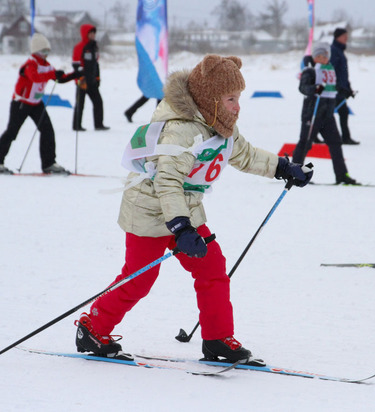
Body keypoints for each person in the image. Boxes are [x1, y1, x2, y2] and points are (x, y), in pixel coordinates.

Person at [74, 54, 313, 364]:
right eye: (230, 98)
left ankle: (217, 340)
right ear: (211, 99)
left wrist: (283, 166)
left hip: (183, 210)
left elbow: (245, 154)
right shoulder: (181, 130)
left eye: (238, 97)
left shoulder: (220, 125)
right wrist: (182, 228)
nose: (237, 105)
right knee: (140, 277)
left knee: (212, 267)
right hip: (149, 209)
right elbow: (168, 182)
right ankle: (92, 328)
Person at [0, 33, 80, 175]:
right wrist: (53, 75)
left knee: (47, 130)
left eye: (48, 51)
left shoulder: (47, 66)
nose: (46, 54)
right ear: (36, 51)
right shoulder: (30, 64)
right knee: (12, 132)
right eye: (44, 51)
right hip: (21, 103)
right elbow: (35, 78)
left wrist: (75, 75)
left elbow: (58, 78)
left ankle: (49, 163)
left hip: (36, 104)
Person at [292, 43, 359, 185]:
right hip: (312, 113)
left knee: (336, 143)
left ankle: (342, 175)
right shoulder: (310, 70)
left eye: (324, 56)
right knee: (305, 143)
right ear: (314, 57)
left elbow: (334, 87)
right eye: (318, 56)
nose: (321, 59)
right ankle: (294, 173)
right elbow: (303, 87)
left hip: (327, 115)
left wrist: (346, 91)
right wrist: (314, 89)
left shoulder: (330, 69)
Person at [72, 24, 109, 131]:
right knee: (80, 104)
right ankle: (76, 125)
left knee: (98, 102)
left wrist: (97, 78)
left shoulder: (94, 46)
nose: (93, 35)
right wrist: (81, 78)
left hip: (92, 81)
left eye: (94, 33)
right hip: (82, 81)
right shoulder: (79, 47)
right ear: (85, 34)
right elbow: (76, 64)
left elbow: (95, 64)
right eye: (91, 33)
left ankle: (99, 124)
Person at [330, 27, 359, 145]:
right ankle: (345, 137)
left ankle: (345, 137)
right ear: (337, 37)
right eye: (344, 36)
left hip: (341, 88)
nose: (346, 38)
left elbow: (343, 72)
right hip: (335, 89)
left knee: (341, 112)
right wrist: (336, 86)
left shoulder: (340, 50)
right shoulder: (334, 50)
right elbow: (332, 70)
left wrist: (348, 88)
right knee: (332, 113)